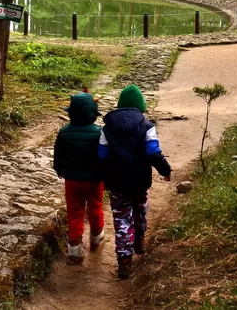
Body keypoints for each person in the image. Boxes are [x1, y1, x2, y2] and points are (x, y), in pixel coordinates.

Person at [99, 84, 171, 279]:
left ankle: (124, 261)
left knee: (121, 220)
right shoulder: (147, 127)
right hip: (140, 182)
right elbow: (153, 152)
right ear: (141, 107)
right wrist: (165, 170)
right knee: (140, 210)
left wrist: (104, 178)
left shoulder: (106, 129)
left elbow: (102, 156)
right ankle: (139, 239)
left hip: (117, 184)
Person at [53, 91, 105, 264]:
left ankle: (75, 251)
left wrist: (60, 170)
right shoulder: (99, 133)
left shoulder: (64, 132)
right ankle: (96, 237)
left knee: (74, 212)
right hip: (94, 180)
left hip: (72, 180)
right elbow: (104, 156)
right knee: (95, 207)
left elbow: (58, 156)